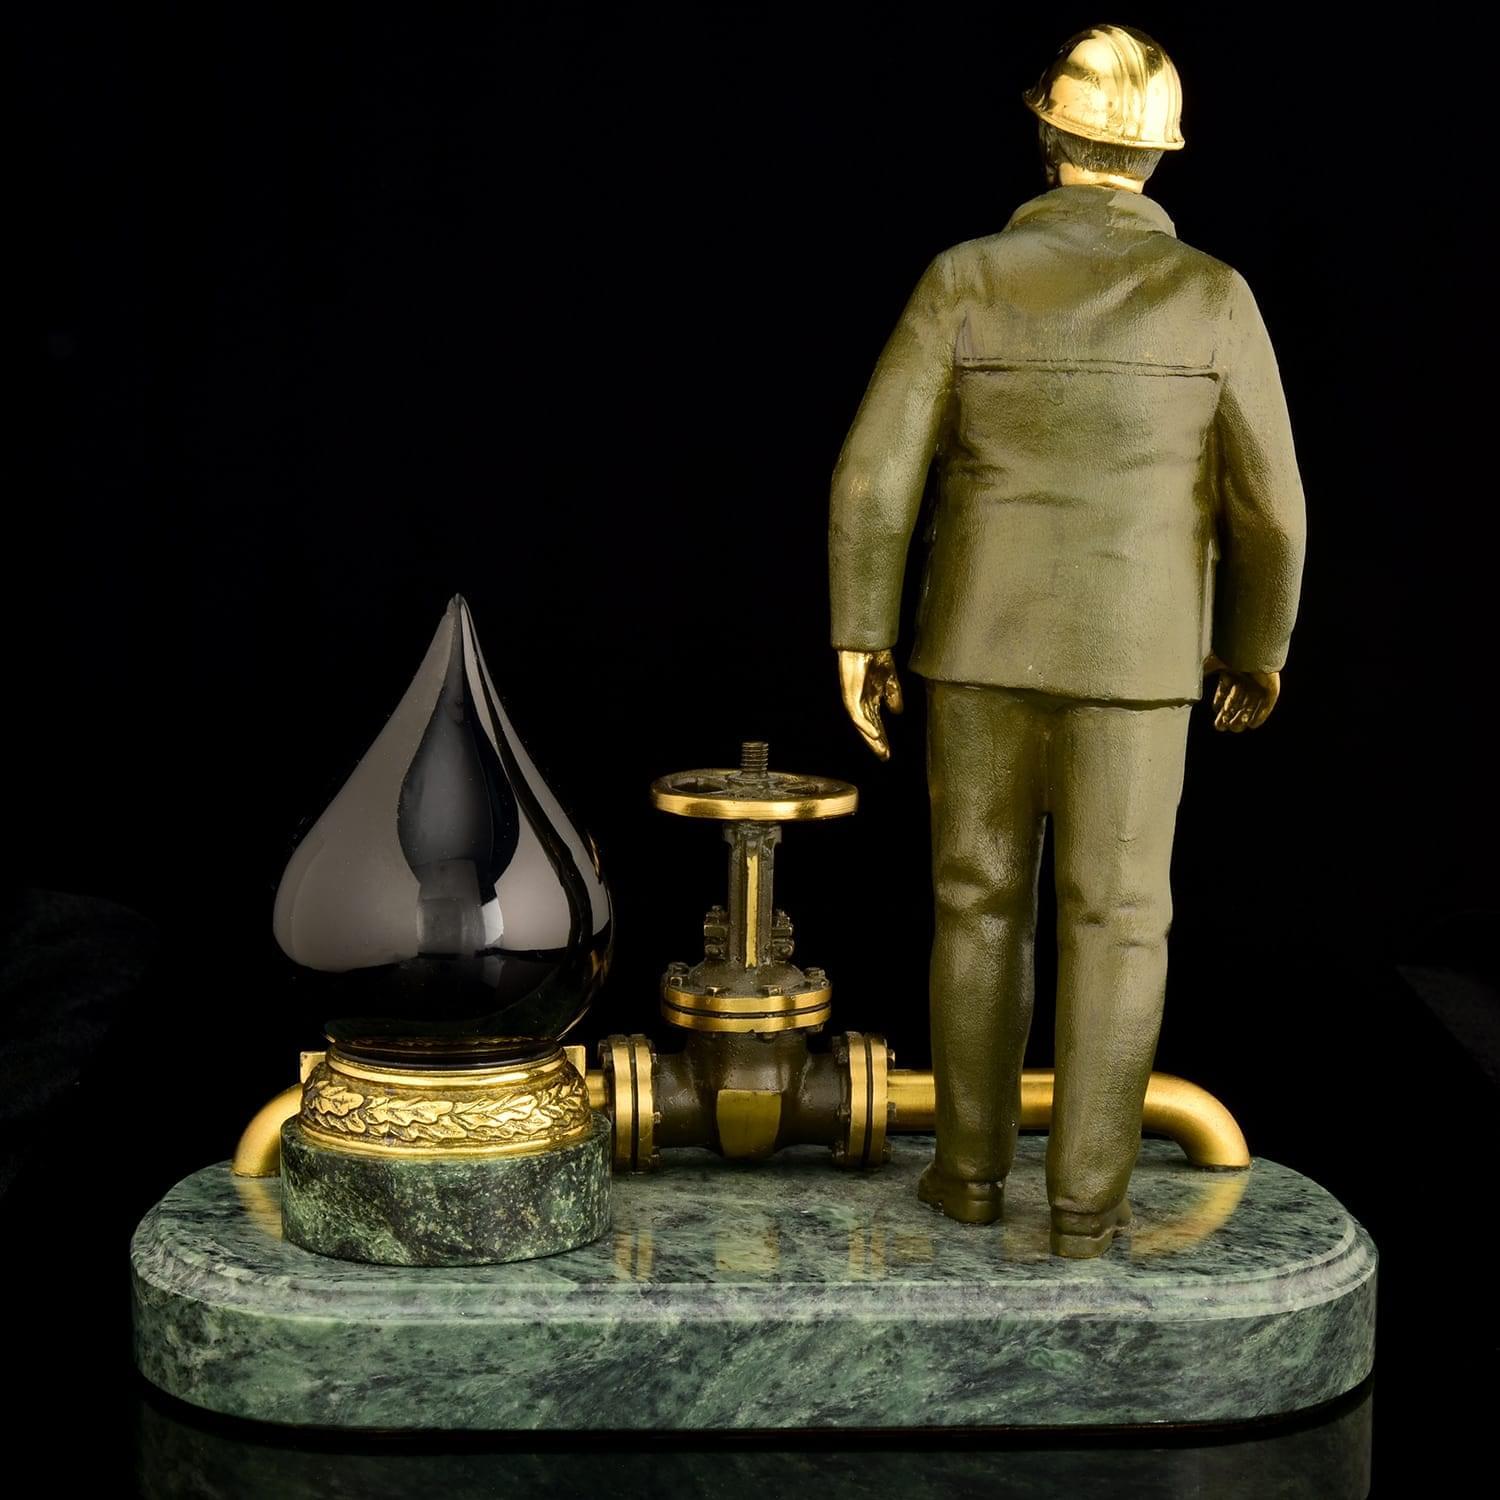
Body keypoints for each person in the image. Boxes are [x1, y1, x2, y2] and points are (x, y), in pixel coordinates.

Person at [827, 24, 1305, 1257]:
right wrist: (1255, 646)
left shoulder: (965, 278)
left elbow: (875, 477)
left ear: (1046, 130)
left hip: (972, 648)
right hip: (1142, 663)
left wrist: (861, 632)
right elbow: (1273, 510)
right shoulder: (1214, 296)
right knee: (1122, 919)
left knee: (975, 907)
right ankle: (1088, 1207)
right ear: (1159, 156)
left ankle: (969, 1178)